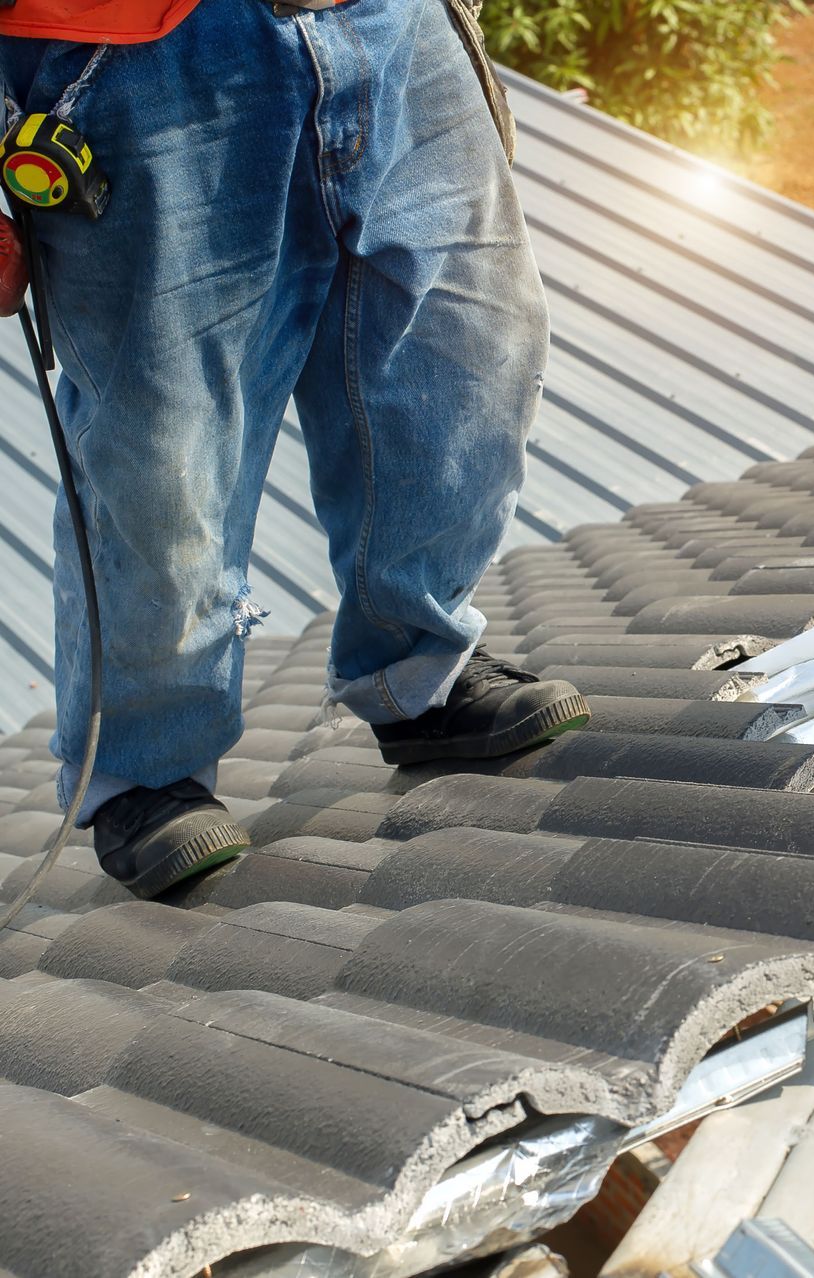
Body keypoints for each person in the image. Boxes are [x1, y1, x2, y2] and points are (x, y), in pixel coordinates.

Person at [0, 0, 587, 898]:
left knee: (468, 353)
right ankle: (147, 768)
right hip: (130, 51)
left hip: (390, 26)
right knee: (165, 444)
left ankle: (414, 667)